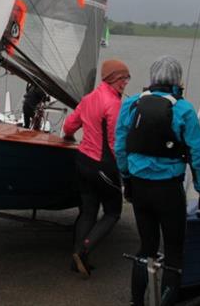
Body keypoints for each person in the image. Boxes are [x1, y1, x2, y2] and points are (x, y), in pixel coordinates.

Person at [114, 55, 200, 306]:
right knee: (174, 254)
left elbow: (121, 146)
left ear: (152, 78)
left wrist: (127, 179)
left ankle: (137, 302)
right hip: (169, 190)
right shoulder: (184, 109)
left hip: (139, 187)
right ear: (178, 81)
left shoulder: (132, 104)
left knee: (146, 247)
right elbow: (198, 154)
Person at [62, 59, 130, 277]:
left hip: (82, 162)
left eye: (126, 78)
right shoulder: (114, 104)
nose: (125, 83)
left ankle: (76, 260)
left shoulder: (89, 98)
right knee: (112, 213)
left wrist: (69, 137)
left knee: (88, 211)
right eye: (122, 78)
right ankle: (83, 251)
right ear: (111, 78)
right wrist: (124, 172)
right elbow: (115, 142)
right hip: (103, 166)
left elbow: (69, 125)